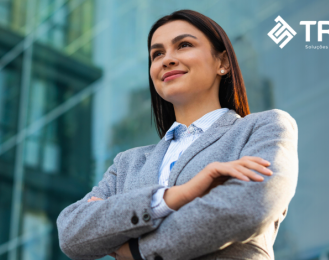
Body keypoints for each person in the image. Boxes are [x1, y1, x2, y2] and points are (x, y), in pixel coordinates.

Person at [57, 9, 298, 260]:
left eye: (184, 45)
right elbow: (71, 233)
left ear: (223, 63)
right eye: (157, 53)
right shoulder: (127, 164)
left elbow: (248, 208)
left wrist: (136, 248)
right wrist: (169, 198)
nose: (167, 60)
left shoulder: (264, 128)